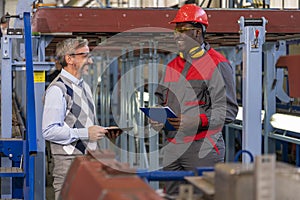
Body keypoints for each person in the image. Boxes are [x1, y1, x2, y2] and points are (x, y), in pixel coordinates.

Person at [151, 4, 238, 196]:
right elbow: (161, 99)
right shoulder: (172, 64)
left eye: (182, 30)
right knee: (172, 195)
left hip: (203, 148)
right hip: (173, 145)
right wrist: (156, 115)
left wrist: (197, 121)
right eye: (176, 30)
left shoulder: (218, 64)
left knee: (203, 196)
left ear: (198, 33)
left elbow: (229, 111)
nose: (176, 35)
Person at [42, 38, 111, 199]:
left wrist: (99, 132)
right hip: (69, 167)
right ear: (69, 58)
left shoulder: (84, 87)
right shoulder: (57, 90)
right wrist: (86, 133)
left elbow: (82, 124)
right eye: (85, 56)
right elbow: (49, 131)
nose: (90, 61)